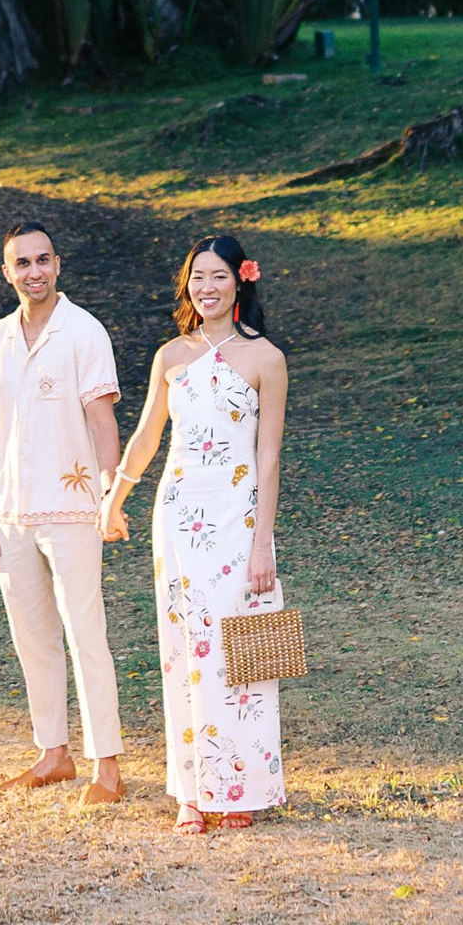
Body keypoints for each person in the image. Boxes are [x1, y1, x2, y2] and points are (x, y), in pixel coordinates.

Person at [101, 232, 288, 834]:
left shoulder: (267, 359)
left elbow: (268, 458)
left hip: (239, 521)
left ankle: (242, 788)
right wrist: (115, 496)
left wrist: (263, 543)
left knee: (242, 652)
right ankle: (192, 792)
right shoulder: (171, 356)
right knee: (186, 651)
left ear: (241, 281)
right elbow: (148, 435)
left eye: (218, 277)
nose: (206, 288)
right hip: (179, 518)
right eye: (197, 277)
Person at [0, 220, 125, 802]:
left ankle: (106, 765)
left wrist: (110, 496)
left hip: (73, 507)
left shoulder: (84, 331)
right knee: (32, 637)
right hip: (11, 512)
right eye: (22, 263)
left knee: (87, 633)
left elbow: (102, 419)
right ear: (7, 271)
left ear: (58, 264)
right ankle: (52, 753)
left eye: (43, 260)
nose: (33, 272)